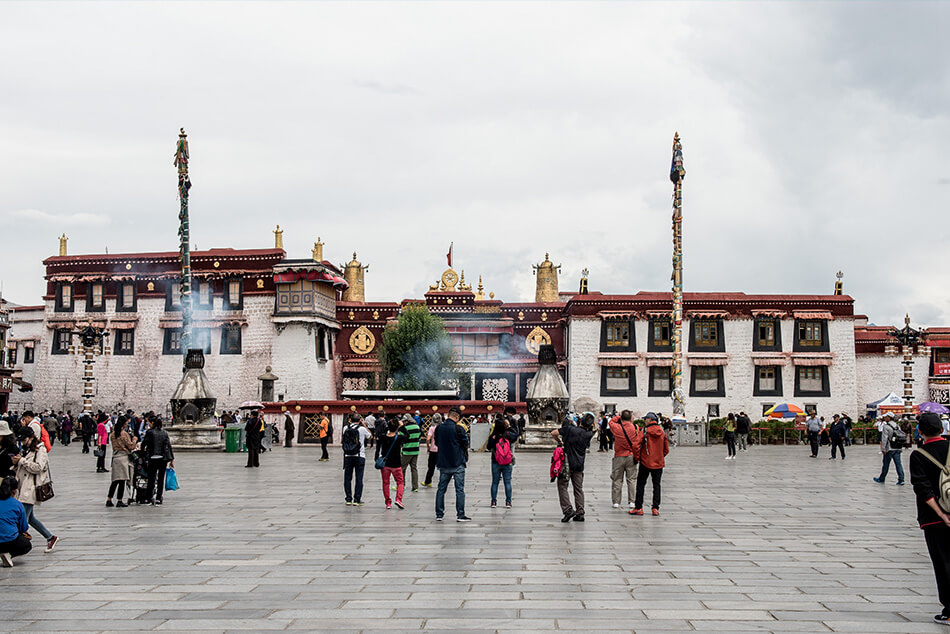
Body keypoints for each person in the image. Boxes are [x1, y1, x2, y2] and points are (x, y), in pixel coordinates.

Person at [910, 412, 950, 625]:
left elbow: (922, 488)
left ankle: (949, 609)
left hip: (935, 520)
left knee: (943, 563)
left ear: (921, 431)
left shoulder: (919, 455)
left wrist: (942, 513)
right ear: (942, 429)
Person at [12, 427, 58, 552]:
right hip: (23, 487)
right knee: (30, 518)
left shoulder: (40, 450)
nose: (23, 442)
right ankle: (50, 537)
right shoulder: (27, 449)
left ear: (31, 437)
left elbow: (38, 467)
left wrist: (22, 461)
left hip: (30, 489)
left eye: (24, 440)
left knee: (22, 521)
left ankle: (14, 547)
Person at [551, 413, 594, 522]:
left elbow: (553, 433)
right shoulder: (588, 434)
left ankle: (567, 509)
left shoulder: (569, 429)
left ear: (580, 421)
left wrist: (559, 441)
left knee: (562, 486)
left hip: (566, 464)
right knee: (578, 489)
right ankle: (580, 513)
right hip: (579, 465)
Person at [630, 412, 670, 517]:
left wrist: (638, 457)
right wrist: (660, 456)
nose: (644, 421)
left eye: (645, 419)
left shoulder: (645, 430)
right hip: (658, 463)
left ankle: (639, 508)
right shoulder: (661, 431)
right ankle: (655, 508)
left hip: (645, 462)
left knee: (641, 484)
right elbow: (666, 449)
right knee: (656, 486)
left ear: (649, 419)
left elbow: (635, 445)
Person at [434, 406, 470, 522]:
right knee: (459, 490)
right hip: (458, 462)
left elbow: (437, 442)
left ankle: (439, 514)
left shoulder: (439, 428)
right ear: (457, 417)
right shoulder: (459, 429)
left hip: (444, 463)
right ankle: (460, 514)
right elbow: (465, 443)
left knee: (441, 489)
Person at [608, 410, 641, 509]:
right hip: (631, 455)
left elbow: (611, 422)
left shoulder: (617, 427)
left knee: (617, 479)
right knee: (631, 479)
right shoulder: (635, 427)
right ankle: (632, 501)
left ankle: (616, 502)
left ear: (621, 417)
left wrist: (618, 416)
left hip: (619, 455)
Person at [486, 415, 519, 508]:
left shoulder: (493, 436)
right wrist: (509, 426)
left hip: (495, 461)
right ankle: (508, 502)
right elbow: (516, 435)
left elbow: (488, 447)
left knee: (495, 482)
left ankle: (493, 502)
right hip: (507, 461)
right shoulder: (508, 435)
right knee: (507, 482)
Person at [141, 418, 174, 505]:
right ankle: (159, 497)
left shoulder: (150, 432)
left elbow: (144, 444)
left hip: (152, 458)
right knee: (160, 478)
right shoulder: (164, 433)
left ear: (153, 423)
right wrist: (171, 459)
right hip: (162, 459)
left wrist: (143, 454)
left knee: (151, 478)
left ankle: (148, 497)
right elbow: (168, 446)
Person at [0, 477, 32, 567]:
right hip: (10, 540)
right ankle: (9, 554)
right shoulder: (17, 505)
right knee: (26, 545)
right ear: (14, 491)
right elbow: (23, 527)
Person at [106, 417, 137, 507]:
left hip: (115, 457)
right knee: (122, 480)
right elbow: (131, 447)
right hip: (123, 458)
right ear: (124, 424)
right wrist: (134, 440)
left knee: (115, 481)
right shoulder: (124, 434)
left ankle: (109, 499)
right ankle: (119, 500)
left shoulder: (112, 435)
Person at [341, 414, 372, 506]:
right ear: (359, 420)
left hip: (347, 455)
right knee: (359, 478)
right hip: (359, 455)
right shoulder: (362, 429)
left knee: (347, 478)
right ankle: (357, 499)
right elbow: (370, 436)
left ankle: (348, 498)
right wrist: (364, 425)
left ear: (350, 420)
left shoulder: (345, 428)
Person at [378, 418, 406, 510]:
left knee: (386, 483)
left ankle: (388, 503)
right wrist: (401, 426)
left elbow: (379, 434)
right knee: (400, 482)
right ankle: (398, 499)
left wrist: (389, 427)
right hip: (396, 464)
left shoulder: (383, 437)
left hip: (385, 464)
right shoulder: (399, 438)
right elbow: (408, 436)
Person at [874, 413, 906, 486]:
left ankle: (882, 478)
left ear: (889, 417)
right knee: (898, 464)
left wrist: (883, 449)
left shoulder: (886, 426)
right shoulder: (897, 426)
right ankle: (901, 479)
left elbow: (884, 438)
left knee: (886, 464)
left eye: (886, 417)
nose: (885, 418)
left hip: (890, 448)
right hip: (897, 448)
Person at [399, 413, 422, 492]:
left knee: (402, 468)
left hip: (406, 451)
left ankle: (401, 485)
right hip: (415, 450)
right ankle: (415, 487)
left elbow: (401, 439)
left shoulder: (404, 428)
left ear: (407, 421)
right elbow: (419, 438)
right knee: (414, 468)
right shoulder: (417, 427)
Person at [422, 413, 441, 488]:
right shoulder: (442, 427)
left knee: (431, 467)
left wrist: (428, 447)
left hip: (433, 450)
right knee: (442, 467)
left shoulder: (432, 428)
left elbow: (428, 438)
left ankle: (428, 481)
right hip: (441, 450)